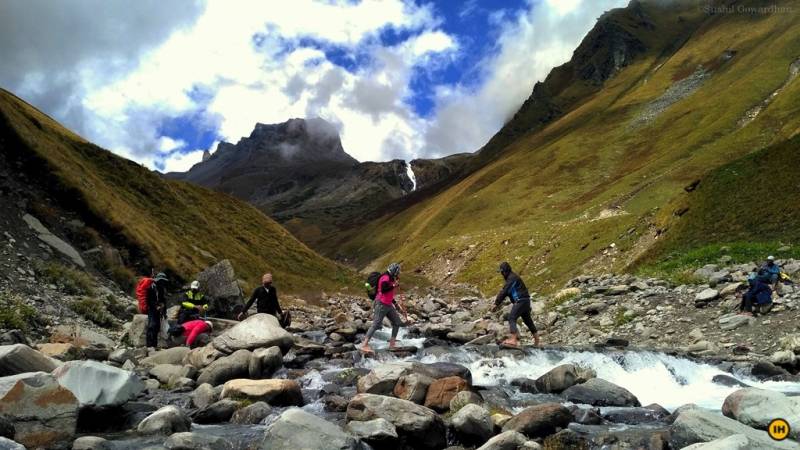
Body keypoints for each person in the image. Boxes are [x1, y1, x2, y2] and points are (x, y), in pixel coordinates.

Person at [361, 263, 408, 354]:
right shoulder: (385, 277)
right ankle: (364, 345)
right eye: (398, 272)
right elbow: (383, 290)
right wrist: (394, 285)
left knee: (397, 323)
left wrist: (395, 303)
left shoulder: (390, 278)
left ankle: (392, 344)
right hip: (381, 304)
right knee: (376, 324)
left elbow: (389, 294)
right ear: (394, 271)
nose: (398, 273)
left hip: (388, 304)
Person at [493, 262, 539, 347]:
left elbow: (504, 291)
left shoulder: (512, 278)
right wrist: (498, 303)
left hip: (520, 301)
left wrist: (496, 303)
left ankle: (513, 340)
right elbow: (507, 292)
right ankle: (537, 341)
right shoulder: (512, 277)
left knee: (511, 318)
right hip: (526, 301)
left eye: (502, 272)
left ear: (505, 271)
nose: (501, 274)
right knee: (527, 320)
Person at [146, 272, 169, 349]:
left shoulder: (161, 289)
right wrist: (156, 306)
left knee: (157, 327)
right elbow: (149, 300)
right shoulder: (151, 288)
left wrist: (164, 312)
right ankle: (149, 345)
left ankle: (154, 345)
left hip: (159, 310)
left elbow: (163, 300)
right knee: (152, 326)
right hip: (152, 309)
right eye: (161, 281)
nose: (162, 282)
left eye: (163, 281)